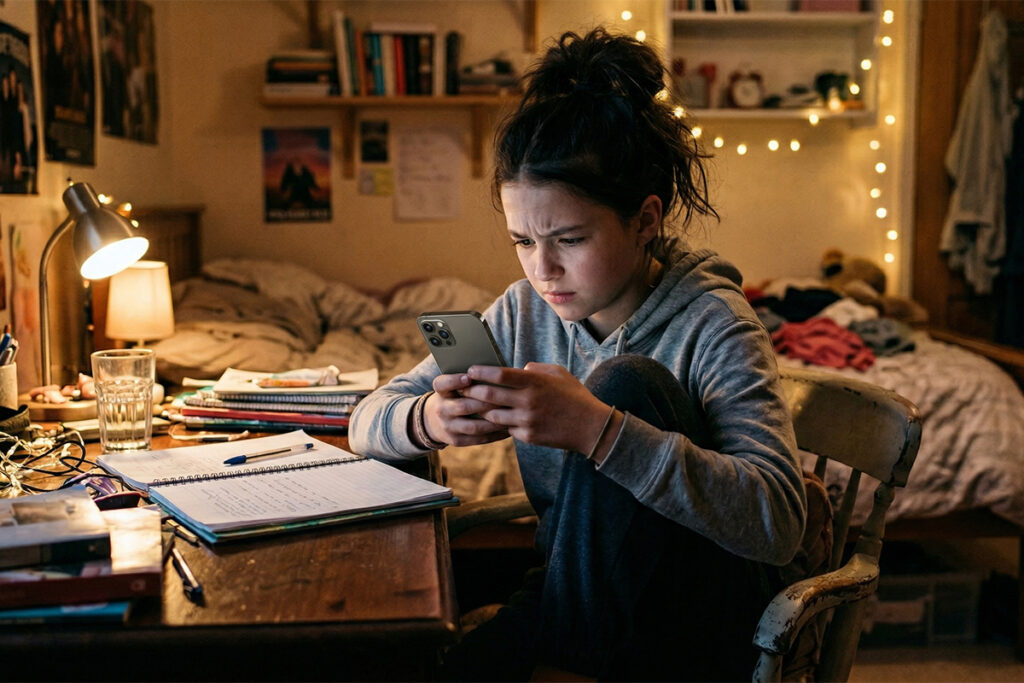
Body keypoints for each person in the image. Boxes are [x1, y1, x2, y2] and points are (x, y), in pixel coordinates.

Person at [349, 27, 807, 681]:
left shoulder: (715, 323)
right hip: (570, 606)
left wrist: (598, 428)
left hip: (697, 622)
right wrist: (430, 419)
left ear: (646, 220)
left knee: (626, 384)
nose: (544, 269)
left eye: (568, 238)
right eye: (522, 241)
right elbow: (368, 416)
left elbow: (779, 522)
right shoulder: (519, 310)